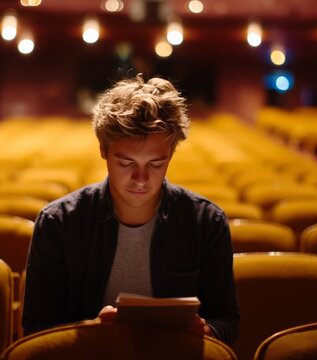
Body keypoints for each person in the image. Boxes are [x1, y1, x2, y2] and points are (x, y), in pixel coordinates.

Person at [22, 75, 239, 344]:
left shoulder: (207, 222)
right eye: (126, 163)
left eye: (155, 164)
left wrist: (205, 330)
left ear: (170, 154)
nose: (140, 179)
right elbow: (35, 329)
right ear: (103, 150)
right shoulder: (58, 223)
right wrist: (92, 330)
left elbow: (227, 322)